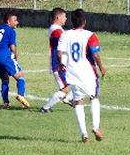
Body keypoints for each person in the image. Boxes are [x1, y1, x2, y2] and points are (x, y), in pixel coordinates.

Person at [57, 9, 106, 143]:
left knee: (78, 101)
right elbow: (95, 54)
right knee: (94, 97)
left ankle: (84, 134)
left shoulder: (65, 35)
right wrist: (101, 67)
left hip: (72, 73)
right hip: (88, 73)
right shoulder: (90, 35)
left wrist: (62, 64)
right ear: (84, 21)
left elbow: (60, 53)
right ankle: (96, 127)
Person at [41, 7, 73, 113]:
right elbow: (63, 43)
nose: (66, 18)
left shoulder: (57, 29)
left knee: (73, 81)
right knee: (65, 89)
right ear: (58, 17)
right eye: (64, 16)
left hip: (60, 63)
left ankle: (70, 98)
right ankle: (45, 108)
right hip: (58, 64)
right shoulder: (56, 30)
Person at [0, 12, 30, 109]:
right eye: (15, 20)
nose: (17, 22)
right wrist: (15, 57)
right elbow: (12, 47)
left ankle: (5, 102)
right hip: (5, 57)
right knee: (20, 76)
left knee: (5, 79)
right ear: (8, 21)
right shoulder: (11, 31)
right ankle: (21, 95)